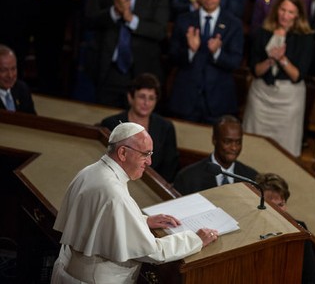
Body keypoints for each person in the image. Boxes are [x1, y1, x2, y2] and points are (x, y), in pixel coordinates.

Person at [51, 122, 219, 283]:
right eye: (145, 154)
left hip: (68, 270)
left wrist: (142, 220)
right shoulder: (114, 193)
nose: (149, 162)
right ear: (123, 153)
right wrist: (196, 239)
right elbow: (153, 252)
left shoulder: (89, 172)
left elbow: (103, 220)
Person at [85, 0, 169, 108]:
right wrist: (114, 12)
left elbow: (159, 31)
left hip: (142, 71)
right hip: (108, 69)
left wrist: (130, 18)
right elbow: (89, 20)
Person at [243, 0, 315, 157]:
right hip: (260, 98)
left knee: (284, 152)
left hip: (288, 101)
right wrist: (270, 60)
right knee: (253, 149)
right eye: (282, 10)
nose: (285, 15)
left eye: (290, 12)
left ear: (298, 14)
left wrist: (282, 60)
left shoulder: (305, 37)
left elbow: (297, 75)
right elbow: (255, 70)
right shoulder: (263, 32)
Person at [168, 0, 244, 124]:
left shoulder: (233, 24)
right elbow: (172, 57)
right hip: (186, 100)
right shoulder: (184, 20)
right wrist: (190, 51)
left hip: (218, 102)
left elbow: (235, 62)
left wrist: (217, 53)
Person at [100, 73, 179, 183]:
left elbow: (169, 166)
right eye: (142, 97)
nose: (146, 103)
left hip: (155, 187)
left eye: (151, 98)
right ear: (130, 97)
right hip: (117, 182)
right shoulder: (110, 124)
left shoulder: (166, 127)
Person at [255, 173, 315, 284]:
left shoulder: (299, 229)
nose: (278, 211)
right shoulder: (249, 231)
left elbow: (311, 278)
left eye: (280, 205)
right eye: (271, 205)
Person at [173, 115, 258, 195]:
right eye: (228, 142)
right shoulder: (188, 177)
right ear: (214, 140)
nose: (234, 148)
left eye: (238, 142)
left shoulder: (251, 178)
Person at [0, 45, 36, 114]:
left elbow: (33, 121)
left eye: (13, 69)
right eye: (3, 70)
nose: (10, 75)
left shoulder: (22, 89)